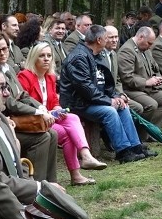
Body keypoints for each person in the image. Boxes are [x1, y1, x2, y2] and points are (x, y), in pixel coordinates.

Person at [16, 43, 106, 185]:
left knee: (73, 117)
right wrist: (46, 111)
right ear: (34, 58)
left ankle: (86, 155)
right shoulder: (25, 76)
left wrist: (58, 108)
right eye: (42, 56)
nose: (46, 59)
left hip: (51, 117)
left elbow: (53, 101)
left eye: (49, 56)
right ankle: (76, 174)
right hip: (34, 120)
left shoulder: (50, 77)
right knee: (66, 133)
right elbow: (25, 103)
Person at [58, 25, 147, 164]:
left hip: (92, 100)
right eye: (107, 38)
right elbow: (86, 89)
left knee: (123, 106)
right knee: (110, 111)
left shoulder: (96, 55)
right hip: (77, 103)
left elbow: (106, 84)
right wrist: (108, 101)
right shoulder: (78, 57)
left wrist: (117, 96)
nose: (110, 41)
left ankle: (136, 147)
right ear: (99, 40)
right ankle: (123, 152)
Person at [0, 30, 60, 183]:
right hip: (6, 121)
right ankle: (36, 184)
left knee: (52, 134)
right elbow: (9, 102)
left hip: (18, 118)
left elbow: (23, 95)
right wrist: (36, 112)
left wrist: (41, 108)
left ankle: (51, 182)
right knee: (43, 137)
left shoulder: (10, 69)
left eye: (5, 48)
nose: (2, 53)